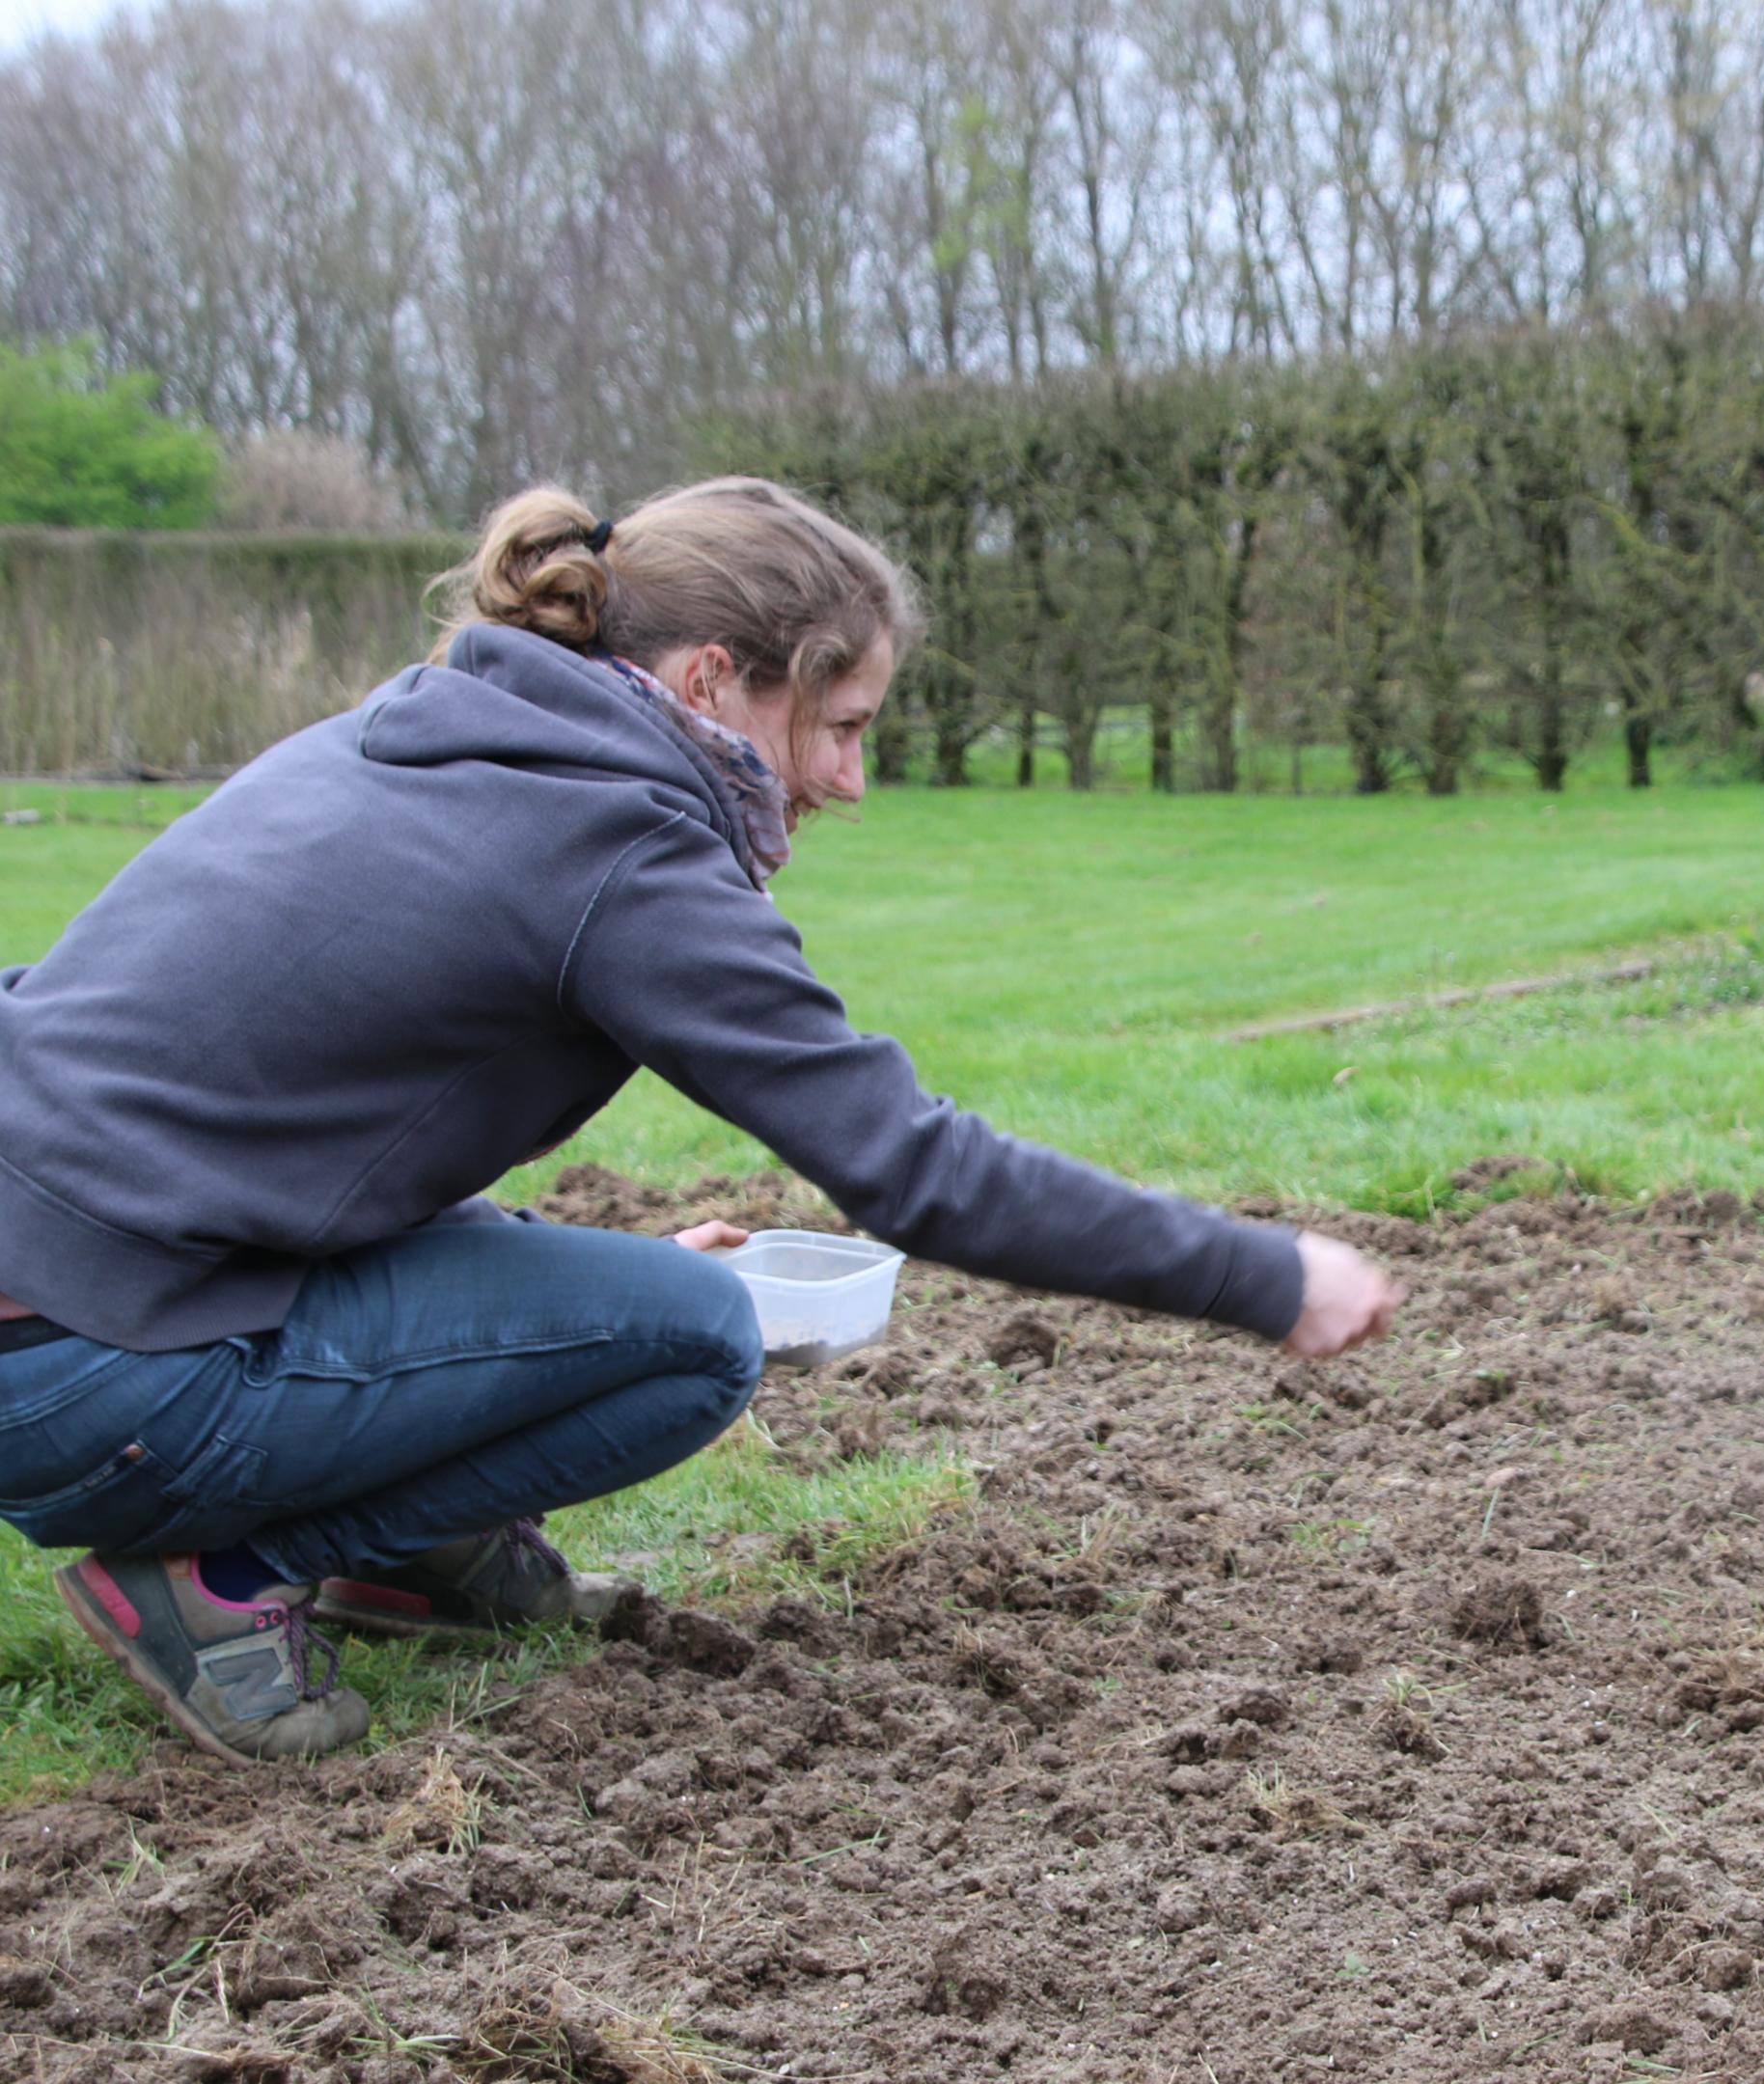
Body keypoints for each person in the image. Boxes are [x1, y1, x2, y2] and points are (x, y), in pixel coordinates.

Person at [0, 477, 1400, 1766]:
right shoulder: (619, 844)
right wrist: (1261, 1273)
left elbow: (285, 1119)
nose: (852, 782)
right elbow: (912, 1168)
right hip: (84, 1369)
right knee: (697, 1335)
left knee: (635, 1294)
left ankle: (409, 1563)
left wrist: (540, 1281)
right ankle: (213, 1581)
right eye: (841, 726)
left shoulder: (433, 731)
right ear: (712, 680)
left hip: (69, 1290)